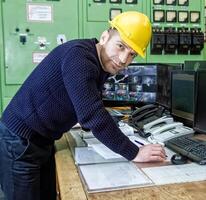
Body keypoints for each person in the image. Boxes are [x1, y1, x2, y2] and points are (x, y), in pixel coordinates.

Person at [0, 11, 166, 200]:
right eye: (120, 46)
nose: (123, 60)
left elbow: (84, 105)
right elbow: (92, 115)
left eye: (132, 54)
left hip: (41, 140)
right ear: (104, 37)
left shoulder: (96, 63)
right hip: (20, 141)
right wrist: (134, 152)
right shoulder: (80, 57)